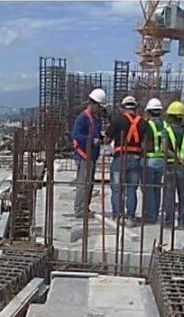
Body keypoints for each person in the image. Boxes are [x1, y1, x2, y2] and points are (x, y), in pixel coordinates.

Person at [104, 96, 147, 224]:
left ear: (123, 108)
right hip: (135, 159)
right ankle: (130, 217)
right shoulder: (143, 122)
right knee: (131, 188)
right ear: (136, 108)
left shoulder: (118, 121)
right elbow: (145, 144)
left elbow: (107, 139)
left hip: (120, 158)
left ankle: (117, 215)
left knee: (117, 188)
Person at [71, 88, 106, 218]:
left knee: (89, 183)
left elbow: (95, 134)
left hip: (92, 156)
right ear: (94, 104)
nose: (100, 110)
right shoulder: (82, 118)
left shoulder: (95, 118)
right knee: (83, 184)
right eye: (99, 106)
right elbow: (76, 135)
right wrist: (91, 140)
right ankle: (80, 209)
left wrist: (101, 139)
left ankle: (85, 207)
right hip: (84, 155)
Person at [163, 100, 184, 229]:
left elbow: (164, 149)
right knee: (182, 194)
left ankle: (169, 222)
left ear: (171, 116)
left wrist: (177, 158)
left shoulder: (167, 131)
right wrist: (183, 158)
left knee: (169, 194)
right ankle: (181, 222)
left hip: (170, 165)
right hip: (183, 167)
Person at [142, 98, 165, 223]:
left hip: (150, 159)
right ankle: (155, 213)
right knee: (157, 187)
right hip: (162, 159)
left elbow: (147, 144)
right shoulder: (165, 125)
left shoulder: (148, 125)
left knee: (148, 188)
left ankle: (150, 216)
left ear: (149, 112)